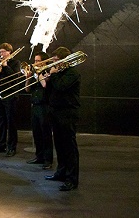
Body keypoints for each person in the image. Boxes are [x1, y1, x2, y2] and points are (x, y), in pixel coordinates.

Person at [43, 46, 81, 191]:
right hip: (56, 112)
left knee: (69, 147)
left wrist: (53, 75)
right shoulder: (58, 73)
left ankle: (72, 179)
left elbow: (61, 87)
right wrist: (47, 79)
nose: (54, 63)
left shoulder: (72, 73)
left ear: (65, 61)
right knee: (59, 144)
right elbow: (51, 92)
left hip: (68, 113)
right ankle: (61, 172)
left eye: (57, 61)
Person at [0, 42, 21, 157]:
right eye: (0, 52)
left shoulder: (16, 63)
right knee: (1, 121)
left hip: (10, 95)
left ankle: (12, 147)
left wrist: (6, 66)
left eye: (3, 52)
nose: (1, 54)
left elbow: (15, 77)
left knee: (10, 122)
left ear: (9, 52)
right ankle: (1, 145)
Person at [26, 51, 53, 169]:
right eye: (35, 61)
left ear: (44, 62)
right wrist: (27, 78)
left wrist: (40, 74)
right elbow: (27, 89)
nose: (35, 63)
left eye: (38, 61)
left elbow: (45, 85)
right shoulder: (34, 74)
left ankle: (48, 159)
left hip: (44, 106)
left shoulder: (49, 72)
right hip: (35, 105)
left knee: (45, 133)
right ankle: (39, 156)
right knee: (36, 133)